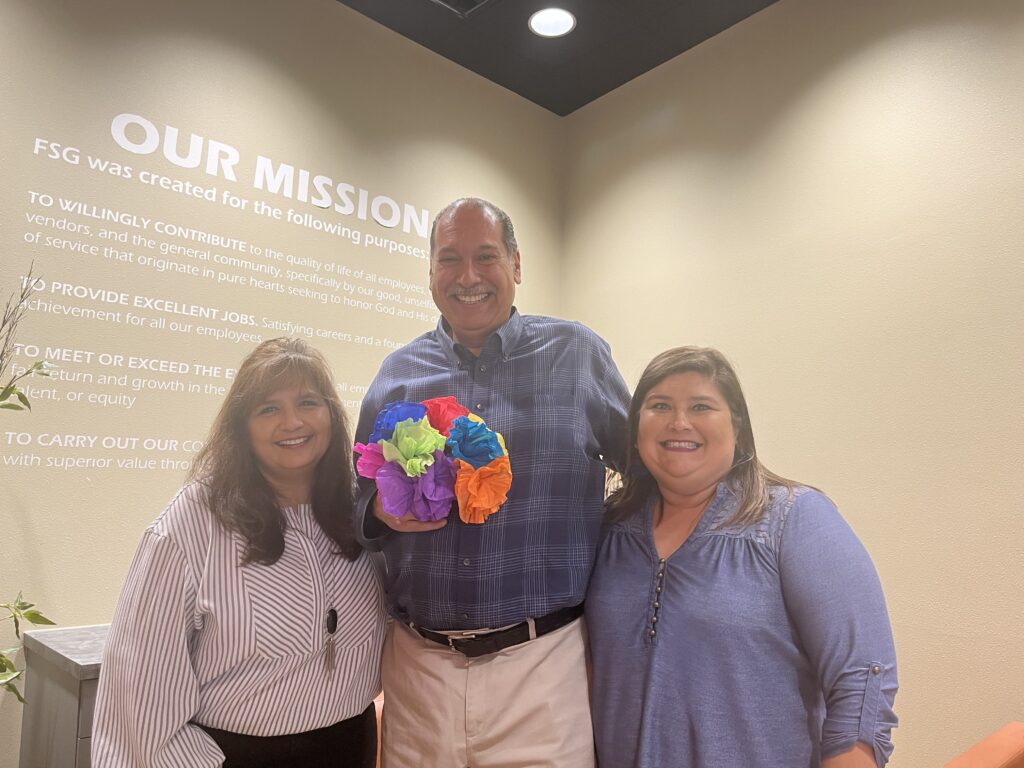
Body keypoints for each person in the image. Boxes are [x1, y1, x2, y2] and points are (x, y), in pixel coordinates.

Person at [354, 197, 630, 768]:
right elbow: (358, 499)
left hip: (542, 669)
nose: (468, 276)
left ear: (516, 264)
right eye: (449, 259)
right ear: (430, 271)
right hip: (420, 671)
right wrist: (379, 510)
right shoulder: (398, 374)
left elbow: (645, 469)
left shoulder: (577, 354)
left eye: (485, 256)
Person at [586, 346, 899, 768]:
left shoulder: (795, 519)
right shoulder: (610, 530)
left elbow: (861, 681)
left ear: (736, 425)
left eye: (701, 406)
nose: (679, 422)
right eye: (660, 405)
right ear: (636, 426)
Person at [92, 337, 387, 768]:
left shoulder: (361, 506)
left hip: (351, 747)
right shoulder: (193, 521)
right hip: (230, 756)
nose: (292, 422)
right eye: (268, 409)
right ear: (241, 426)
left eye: (307, 402)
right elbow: (139, 693)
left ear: (331, 414)